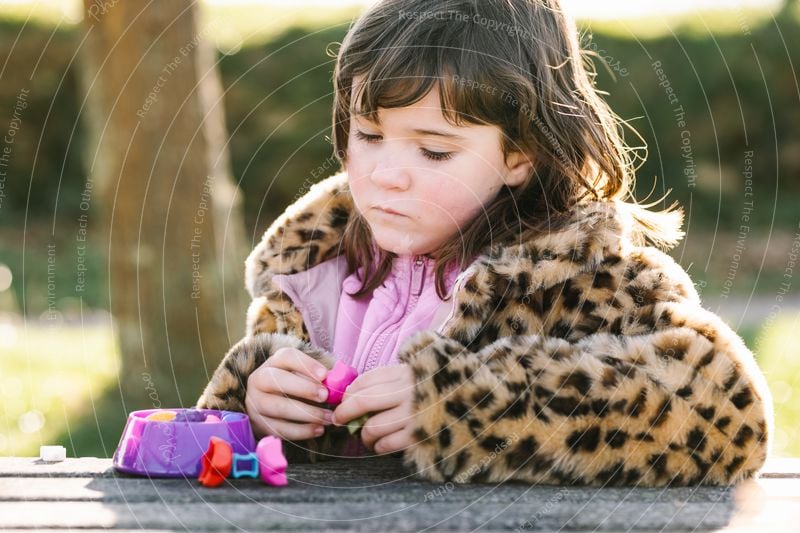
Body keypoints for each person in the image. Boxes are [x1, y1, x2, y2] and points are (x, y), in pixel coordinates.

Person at [197, 0, 773, 486]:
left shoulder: (579, 272)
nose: (385, 174)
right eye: (368, 135)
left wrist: (467, 407)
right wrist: (253, 410)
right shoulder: (313, 271)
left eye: (435, 151)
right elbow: (222, 459)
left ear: (520, 154)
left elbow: (725, 418)